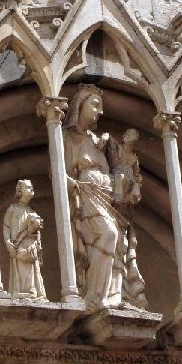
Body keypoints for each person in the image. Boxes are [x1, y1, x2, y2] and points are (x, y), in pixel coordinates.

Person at [63, 84, 129, 310]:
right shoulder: (69, 137)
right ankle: (94, 297)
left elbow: (119, 166)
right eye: (95, 105)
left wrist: (110, 141)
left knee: (118, 241)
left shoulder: (98, 140)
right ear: (80, 105)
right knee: (108, 235)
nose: (100, 111)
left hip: (105, 195)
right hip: (87, 194)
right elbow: (62, 172)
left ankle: (112, 295)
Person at [3, 179, 47, 300]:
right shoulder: (12, 209)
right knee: (22, 270)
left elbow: (37, 232)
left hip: (31, 247)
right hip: (18, 247)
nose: (32, 189)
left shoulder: (32, 211)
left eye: (32, 187)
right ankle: (22, 292)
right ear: (20, 190)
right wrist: (8, 243)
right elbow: (6, 227)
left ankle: (32, 291)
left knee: (32, 271)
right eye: (28, 187)